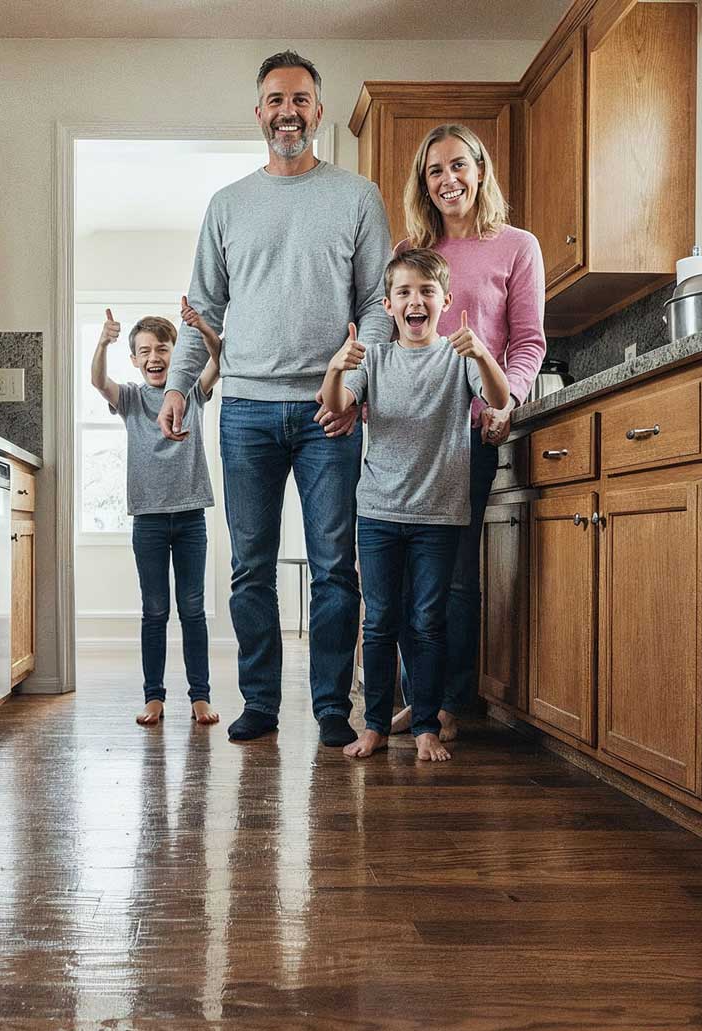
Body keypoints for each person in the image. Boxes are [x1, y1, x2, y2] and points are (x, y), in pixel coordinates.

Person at [160, 50, 396, 747]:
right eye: (274, 100)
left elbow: (377, 307)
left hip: (330, 412)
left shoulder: (356, 196)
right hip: (246, 412)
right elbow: (203, 305)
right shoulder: (228, 205)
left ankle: (330, 707)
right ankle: (259, 702)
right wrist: (177, 384)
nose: (287, 112)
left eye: (299, 100)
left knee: (332, 570)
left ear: (317, 112)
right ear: (258, 112)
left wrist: (352, 387)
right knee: (250, 569)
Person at [320, 247, 512, 762]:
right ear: (388, 305)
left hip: (439, 517)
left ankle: (426, 724)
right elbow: (336, 405)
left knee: (428, 621)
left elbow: (496, 398)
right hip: (379, 514)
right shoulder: (374, 359)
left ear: (446, 300)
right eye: (404, 293)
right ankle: (376, 725)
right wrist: (338, 366)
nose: (415, 301)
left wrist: (483, 353)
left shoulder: (458, 357)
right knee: (380, 620)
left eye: (426, 291)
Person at [386, 123, 546, 742]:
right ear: (423, 185)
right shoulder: (412, 249)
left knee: (451, 576)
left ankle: (450, 702)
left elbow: (528, 342)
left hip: (470, 435)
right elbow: (391, 339)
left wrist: (511, 400)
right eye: (434, 171)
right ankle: (418, 699)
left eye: (458, 166)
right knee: (398, 574)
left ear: (480, 171)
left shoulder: (517, 246)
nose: (448, 179)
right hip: (405, 439)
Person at [91, 307, 222, 728]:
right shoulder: (130, 398)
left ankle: (200, 697)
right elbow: (98, 381)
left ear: (174, 352)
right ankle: (154, 698)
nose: (154, 357)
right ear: (134, 359)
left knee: (193, 609)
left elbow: (218, 362)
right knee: (154, 610)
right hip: (147, 520)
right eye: (144, 351)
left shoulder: (189, 393)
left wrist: (202, 327)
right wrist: (102, 343)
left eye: (162, 349)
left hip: (190, 517)